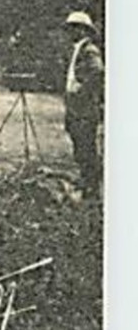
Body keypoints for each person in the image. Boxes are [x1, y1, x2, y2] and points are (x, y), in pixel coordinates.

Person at [62, 11, 104, 199]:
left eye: (73, 28)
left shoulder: (89, 50)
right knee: (80, 148)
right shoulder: (77, 49)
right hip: (75, 107)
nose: (70, 32)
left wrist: (81, 89)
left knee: (86, 149)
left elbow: (97, 72)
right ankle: (86, 183)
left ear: (82, 30)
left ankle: (92, 189)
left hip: (84, 108)